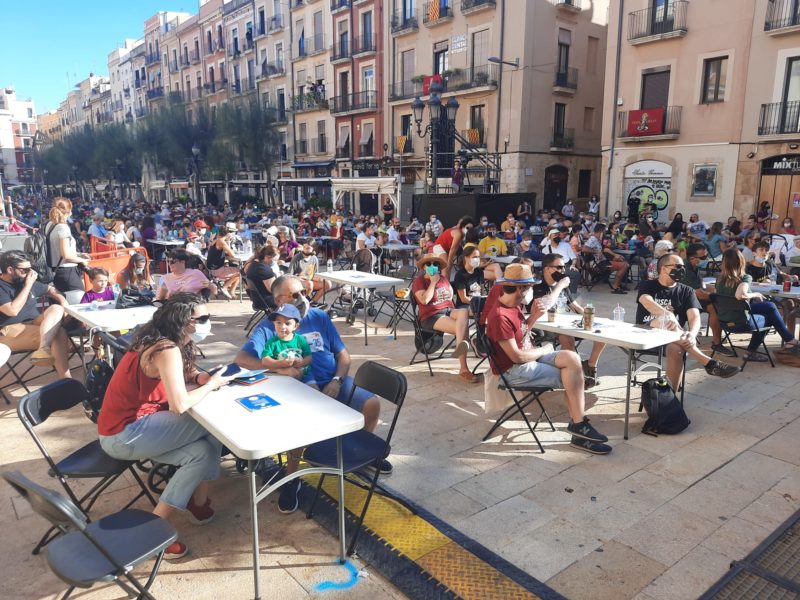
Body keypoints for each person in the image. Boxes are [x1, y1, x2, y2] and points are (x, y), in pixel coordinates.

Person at [235, 275, 388, 513]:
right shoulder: (272, 325)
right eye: (295, 295)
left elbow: (343, 356)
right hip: (300, 393)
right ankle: (292, 480)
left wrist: (337, 380)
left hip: (332, 382)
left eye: (304, 292)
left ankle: (358, 452)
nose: (303, 299)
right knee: (299, 433)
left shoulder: (319, 316)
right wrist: (279, 367)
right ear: (278, 301)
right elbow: (242, 360)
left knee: (371, 405)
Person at [98, 293, 235, 559]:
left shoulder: (157, 339)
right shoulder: (167, 349)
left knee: (202, 453)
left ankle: (166, 518)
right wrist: (211, 385)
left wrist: (199, 376)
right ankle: (194, 504)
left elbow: (183, 374)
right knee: (216, 423)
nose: (208, 323)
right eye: (203, 318)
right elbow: (180, 405)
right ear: (185, 323)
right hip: (125, 435)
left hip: (128, 430)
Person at [484, 263, 611, 454]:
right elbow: (517, 357)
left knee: (571, 358)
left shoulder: (513, 306)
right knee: (573, 376)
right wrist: (544, 349)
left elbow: (522, 335)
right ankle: (579, 428)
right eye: (528, 287)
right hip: (514, 371)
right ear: (520, 288)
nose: (530, 292)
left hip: (527, 359)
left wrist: (533, 317)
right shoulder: (500, 316)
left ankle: (579, 425)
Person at [636, 253, 740, 390]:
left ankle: (671, 396)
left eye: (683, 267)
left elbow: (694, 317)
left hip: (676, 338)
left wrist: (692, 334)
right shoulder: (647, 285)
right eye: (677, 266)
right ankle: (707, 362)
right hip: (647, 333)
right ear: (663, 268)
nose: (682, 270)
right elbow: (645, 301)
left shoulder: (687, 291)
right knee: (666, 320)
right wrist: (667, 314)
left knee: (677, 350)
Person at [534, 254, 607, 388]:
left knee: (603, 333)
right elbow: (544, 307)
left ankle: (590, 366)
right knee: (567, 338)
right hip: (547, 326)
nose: (563, 270)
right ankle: (574, 376)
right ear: (547, 269)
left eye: (564, 267)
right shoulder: (538, 286)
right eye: (559, 267)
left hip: (567, 324)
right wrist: (560, 286)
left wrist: (591, 316)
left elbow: (575, 306)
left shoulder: (562, 284)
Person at [716, 248, 800, 360]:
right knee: (770, 318)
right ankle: (750, 353)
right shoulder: (745, 277)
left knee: (770, 306)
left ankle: (790, 340)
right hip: (741, 323)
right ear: (741, 261)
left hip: (723, 322)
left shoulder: (719, 279)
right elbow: (739, 295)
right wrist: (755, 294)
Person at [0, 251, 72, 376]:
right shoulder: (3, 286)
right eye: (25, 269)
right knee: (58, 334)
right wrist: (28, 285)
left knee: (56, 308)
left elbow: (50, 289)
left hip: (34, 322)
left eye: (30, 268)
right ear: (10, 269)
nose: (30, 273)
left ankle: (43, 348)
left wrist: (64, 302)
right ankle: (66, 379)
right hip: (10, 329)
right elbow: (12, 310)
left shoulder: (23, 279)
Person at [411, 253, 477, 383]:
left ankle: (463, 348)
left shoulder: (443, 279)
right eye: (428, 264)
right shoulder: (419, 281)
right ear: (423, 267)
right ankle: (463, 368)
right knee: (462, 330)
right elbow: (424, 300)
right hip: (432, 315)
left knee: (464, 312)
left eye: (435, 264)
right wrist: (433, 282)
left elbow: (449, 299)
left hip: (448, 310)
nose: (432, 266)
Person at [680, 244, 733, 356]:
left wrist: (719, 290)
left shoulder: (694, 266)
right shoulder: (686, 270)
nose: (707, 259)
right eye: (703, 258)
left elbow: (702, 286)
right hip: (683, 302)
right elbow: (701, 294)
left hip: (692, 297)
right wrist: (719, 295)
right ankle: (717, 343)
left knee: (718, 302)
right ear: (692, 258)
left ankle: (721, 333)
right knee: (715, 306)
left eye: (707, 256)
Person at [259, 303, 315, 385]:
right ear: (274, 323)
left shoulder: (300, 340)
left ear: (295, 326)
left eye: (287, 323)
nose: (282, 327)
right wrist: (281, 363)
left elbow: (309, 357)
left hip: (305, 374)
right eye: (279, 322)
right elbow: (265, 361)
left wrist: (300, 363)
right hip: (284, 375)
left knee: (313, 390)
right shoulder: (272, 342)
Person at [45, 203, 91, 294]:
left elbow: (57, 248)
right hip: (66, 271)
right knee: (78, 298)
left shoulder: (50, 224)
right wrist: (81, 260)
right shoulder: (63, 227)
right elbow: (66, 255)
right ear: (69, 212)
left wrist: (78, 254)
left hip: (55, 269)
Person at [582, 223, 630, 294]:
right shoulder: (593, 239)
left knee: (622, 260)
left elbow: (604, 250)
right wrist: (596, 251)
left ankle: (616, 282)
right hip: (599, 264)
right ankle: (615, 286)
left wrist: (614, 255)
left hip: (602, 261)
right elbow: (584, 249)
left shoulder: (597, 239)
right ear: (600, 231)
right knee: (624, 265)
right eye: (604, 231)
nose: (605, 232)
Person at [452, 244, 500, 308]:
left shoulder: (479, 272)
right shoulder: (460, 275)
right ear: (466, 258)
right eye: (474, 257)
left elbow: (482, 292)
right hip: (465, 306)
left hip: (478, 303)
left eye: (478, 257)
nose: (477, 259)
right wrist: (479, 303)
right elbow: (464, 299)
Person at [206, 225, 242, 299]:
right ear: (228, 234)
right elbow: (233, 255)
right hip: (217, 271)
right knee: (240, 272)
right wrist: (228, 240)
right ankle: (225, 287)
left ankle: (231, 292)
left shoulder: (216, 240)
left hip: (210, 269)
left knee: (234, 272)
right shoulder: (221, 241)